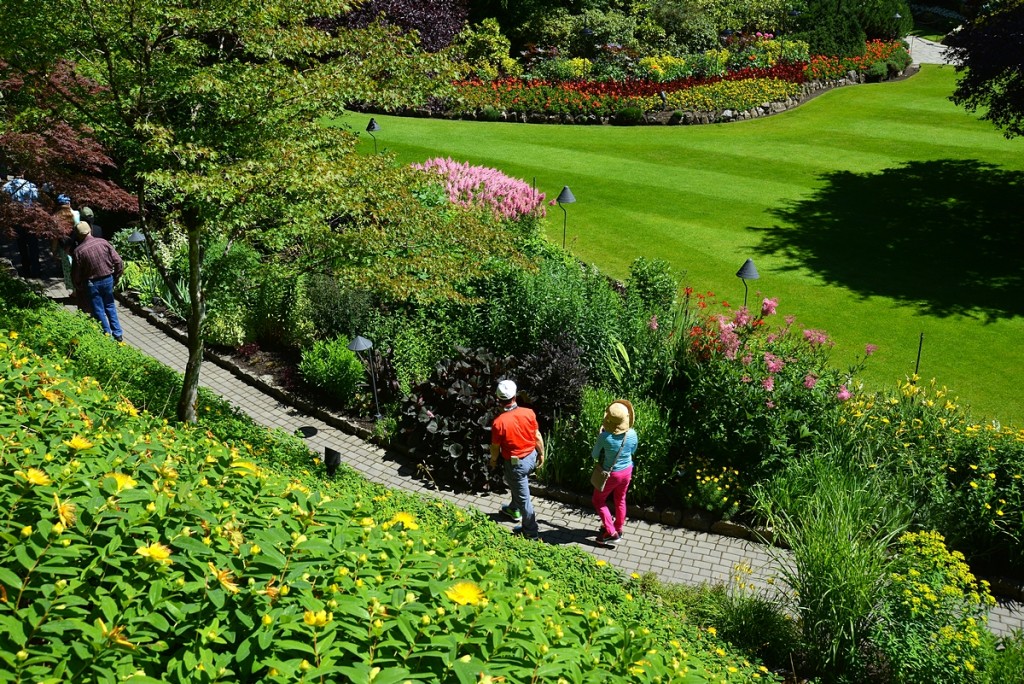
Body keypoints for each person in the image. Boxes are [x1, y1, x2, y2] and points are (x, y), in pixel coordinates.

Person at [489, 380, 544, 540]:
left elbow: (495, 447)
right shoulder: (529, 413)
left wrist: (493, 461)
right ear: (515, 396)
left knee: (524, 499)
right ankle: (513, 509)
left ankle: (530, 531)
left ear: (498, 399)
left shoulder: (499, 423)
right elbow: (537, 436)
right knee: (517, 485)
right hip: (531, 457)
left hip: (516, 464)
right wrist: (541, 454)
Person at [591, 399, 637, 548]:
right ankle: (618, 527)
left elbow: (595, 455)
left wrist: (601, 437)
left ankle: (611, 533)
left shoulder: (605, 437)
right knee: (620, 499)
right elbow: (633, 450)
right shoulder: (632, 433)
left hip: (612, 474)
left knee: (598, 500)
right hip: (628, 470)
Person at [71, 220, 124, 342]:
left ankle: (107, 335)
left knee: (98, 310)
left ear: (78, 235)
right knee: (110, 306)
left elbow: (76, 273)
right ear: (90, 230)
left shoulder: (78, 251)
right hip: (108, 279)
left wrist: (77, 285)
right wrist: (116, 275)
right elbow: (118, 261)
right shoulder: (103, 242)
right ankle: (118, 333)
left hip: (92, 283)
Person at [2, 173, 41, 276]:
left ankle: (26, 268)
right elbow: (36, 199)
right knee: (33, 244)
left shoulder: (6, 187)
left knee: (21, 244)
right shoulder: (31, 185)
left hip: (16, 219)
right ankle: (36, 269)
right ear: (22, 174)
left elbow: (4, 202)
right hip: (30, 219)